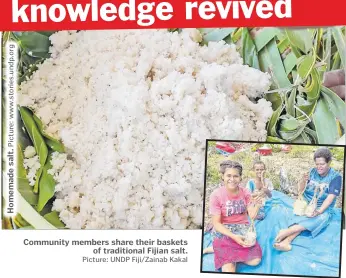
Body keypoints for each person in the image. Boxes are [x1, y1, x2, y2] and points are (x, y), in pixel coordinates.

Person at [273, 147, 342, 252]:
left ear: (329, 162)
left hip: (322, 206)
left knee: (321, 218)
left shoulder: (335, 177)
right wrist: (302, 181)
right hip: (307, 202)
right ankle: (286, 241)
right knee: (303, 214)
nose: (319, 167)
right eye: (317, 164)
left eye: (322, 164)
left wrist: (319, 211)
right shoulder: (312, 172)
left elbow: (329, 199)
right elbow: (300, 191)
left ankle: (287, 232)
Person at [204, 160, 262, 273]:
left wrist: (258, 205)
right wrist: (234, 237)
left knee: (255, 261)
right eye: (228, 175)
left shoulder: (245, 193)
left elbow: (252, 216)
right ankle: (223, 250)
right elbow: (216, 223)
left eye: (236, 176)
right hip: (224, 231)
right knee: (229, 269)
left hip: (242, 228)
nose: (232, 179)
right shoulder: (216, 195)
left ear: (240, 178)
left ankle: (220, 250)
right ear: (222, 176)